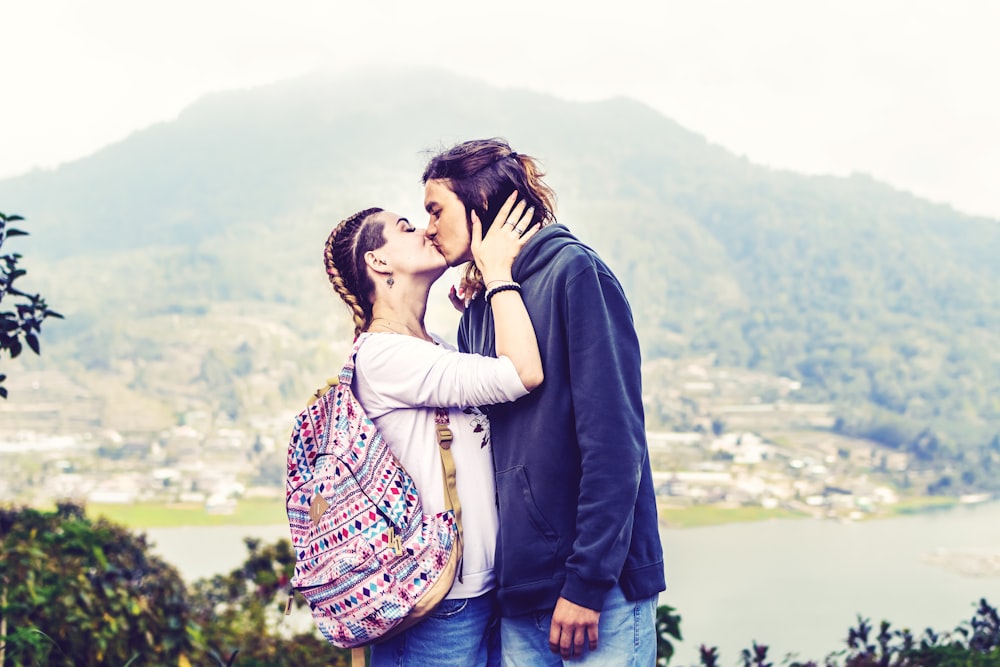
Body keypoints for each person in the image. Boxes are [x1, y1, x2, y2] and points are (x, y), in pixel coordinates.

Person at [422, 138, 666, 666]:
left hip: (597, 595)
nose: (428, 227)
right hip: (521, 593)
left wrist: (587, 584)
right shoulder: (485, 305)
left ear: (481, 204)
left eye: (436, 210)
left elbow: (615, 444)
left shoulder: (575, 273)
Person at [322, 195, 543, 667]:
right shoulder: (386, 356)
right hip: (437, 608)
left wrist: (480, 309)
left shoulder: (430, 348)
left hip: (475, 596)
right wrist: (499, 274)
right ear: (378, 261)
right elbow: (521, 373)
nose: (424, 229)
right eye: (405, 227)